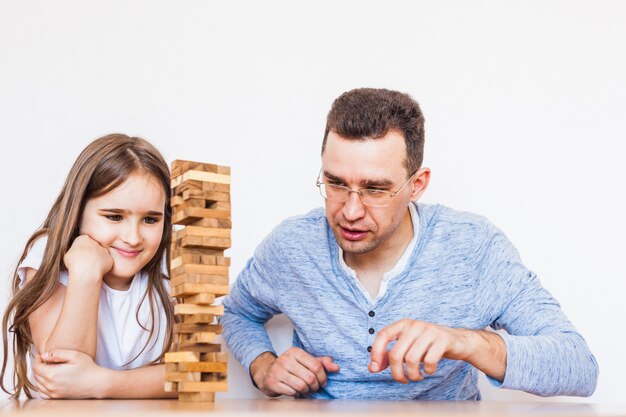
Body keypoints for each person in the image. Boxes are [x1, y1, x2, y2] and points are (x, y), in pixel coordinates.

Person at [221, 88, 599, 400]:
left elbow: (579, 366)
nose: (350, 211)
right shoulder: (293, 246)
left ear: (416, 185)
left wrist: (466, 342)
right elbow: (236, 312)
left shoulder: (474, 247)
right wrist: (263, 365)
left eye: (375, 189)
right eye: (336, 183)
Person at [1, 134, 176, 399]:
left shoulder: (168, 278)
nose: (133, 237)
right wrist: (85, 273)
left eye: (150, 220)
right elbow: (62, 375)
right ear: (78, 212)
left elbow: (192, 377)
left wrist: (102, 383)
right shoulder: (48, 259)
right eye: (114, 216)